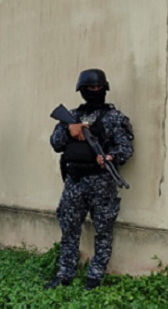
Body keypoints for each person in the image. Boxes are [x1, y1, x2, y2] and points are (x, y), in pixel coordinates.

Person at [45, 69, 134, 290]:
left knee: (103, 230)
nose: (95, 91)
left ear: (105, 89)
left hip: (101, 182)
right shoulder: (71, 116)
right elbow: (56, 143)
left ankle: (95, 274)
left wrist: (111, 157)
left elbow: (126, 148)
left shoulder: (115, 118)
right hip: (74, 182)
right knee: (69, 229)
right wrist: (69, 130)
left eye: (98, 88)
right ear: (82, 91)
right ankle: (65, 273)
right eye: (90, 88)